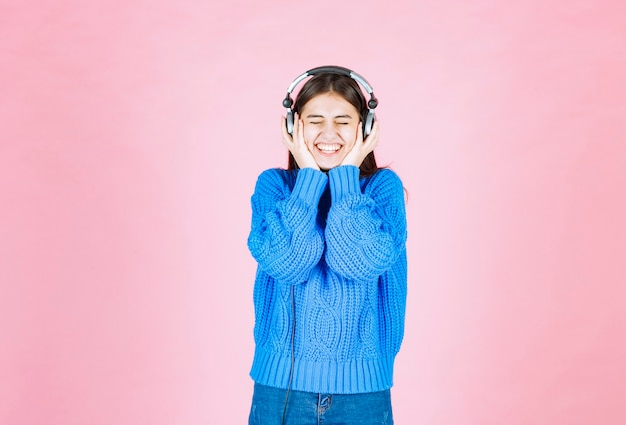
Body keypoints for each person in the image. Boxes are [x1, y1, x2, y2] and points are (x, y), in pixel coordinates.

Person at [247, 66, 408, 425]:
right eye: (315, 120)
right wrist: (307, 179)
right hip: (280, 390)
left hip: (362, 395)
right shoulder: (274, 187)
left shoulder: (383, 189)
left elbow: (359, 262)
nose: (329, 133)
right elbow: (289, 262)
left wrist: (347, 180)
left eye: (344, 121)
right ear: (294, 126)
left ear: (366, 129)